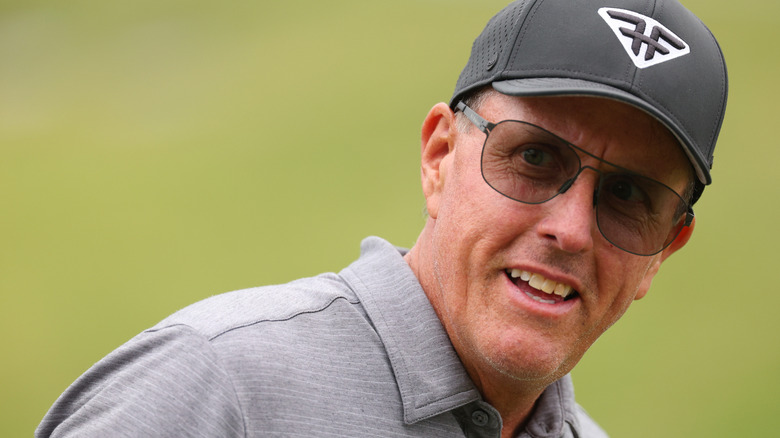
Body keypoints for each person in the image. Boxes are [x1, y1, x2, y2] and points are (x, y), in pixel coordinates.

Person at [36, 0, 728, 436]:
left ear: (665, 251)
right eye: (535, 158)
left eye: (629, 196)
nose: (570, 229)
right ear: (439, 156)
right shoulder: (213, 389)